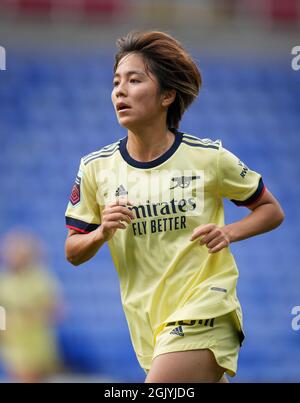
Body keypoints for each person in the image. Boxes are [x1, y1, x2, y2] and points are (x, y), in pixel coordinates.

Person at [65, 31, 284, 383]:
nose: (120, 90)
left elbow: (271, 210)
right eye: (116, 82)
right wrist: (101, 233)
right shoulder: (95, 168)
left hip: (207, 307)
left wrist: (228, 232)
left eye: (134, 80)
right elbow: (72, 251)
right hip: (150, 323)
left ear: (167, 95)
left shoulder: (208, 158)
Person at [0, 230, 62, 383]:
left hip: (39, 343)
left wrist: (35, 315)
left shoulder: (40, 279)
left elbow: (57, 310)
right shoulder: (4, 282)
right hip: (16, 347)